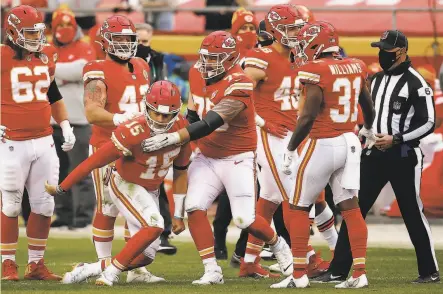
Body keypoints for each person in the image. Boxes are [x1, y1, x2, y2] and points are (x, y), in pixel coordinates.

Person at [141, 30, 293, 285]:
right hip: (207, 155)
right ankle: (212, 270)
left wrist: (173, 138)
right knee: (195, 207)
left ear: (231, 59)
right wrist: (176, 138)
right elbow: (192, 115)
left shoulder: (241, 82)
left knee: (245, 218)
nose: (208, 64)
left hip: (237, 157)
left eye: (216, 58)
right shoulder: (195, 73)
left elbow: (211, 122)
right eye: (206, 57)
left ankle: (280, 247)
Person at [314, 30, 439, 284]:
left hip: (403, 155)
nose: (381, 53)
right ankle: (338, 269)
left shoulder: (416, 82)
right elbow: (369, 112)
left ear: (402, 51)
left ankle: (429, 271)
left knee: (412, 212)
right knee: (353, 210)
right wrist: (364, 131)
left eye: (386, 49)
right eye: (380, 48)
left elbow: (429, 122)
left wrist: (398, 138)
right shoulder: (376, 79)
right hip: (373, 154)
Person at [46, 81, 190, 286]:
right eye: (156, 113)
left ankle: (89, 269)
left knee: (146, 255)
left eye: (167, 115)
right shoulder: (132, 129)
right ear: (146, 107)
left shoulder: (182, 129)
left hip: (150, 190)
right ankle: (110, 273)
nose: (160, 119)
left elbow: (181, 171)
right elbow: (93, 162)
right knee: (155, 224)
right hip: (125, 183)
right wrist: (63, 187)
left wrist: (179, 214)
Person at [271, 21, 375, 289]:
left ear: (316, 44)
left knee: (296, 206)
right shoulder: (356, 65)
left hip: (323, 143)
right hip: (350, 142)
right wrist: (367, 129)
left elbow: (307, 117)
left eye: (306, 43)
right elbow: (368, 105)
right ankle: (359, 272)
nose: (302, 49)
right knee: (351, 208)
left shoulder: (314, 70)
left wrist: (292, 148)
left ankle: (298, 275)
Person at [240, 4, 336, 277]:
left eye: (297, 27)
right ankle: (307, 260)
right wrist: (260, 122)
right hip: (270, 135)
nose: (295, 32)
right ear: (273, 30)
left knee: (269, 198)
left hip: (291, 135)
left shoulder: (300, 57)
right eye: (290, 28)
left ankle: (248, 261)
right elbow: (237, 93)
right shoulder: (262, 57)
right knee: (296, 196)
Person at [83, 15, 162, 283]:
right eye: (118, 39)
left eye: (129, 38)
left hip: (138, 148)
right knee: (107, 208)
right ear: (105, 41)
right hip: (108, 145)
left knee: (136, 210)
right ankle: (102, 264)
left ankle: (137, 269)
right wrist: (118, 119)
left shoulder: (141, 64)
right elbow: (93, 112)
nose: (125, 44)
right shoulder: (95, 68)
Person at [0, 5, 76, 281]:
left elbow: (53, 94)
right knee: (10, 203)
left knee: (45, 204)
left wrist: (65, 125)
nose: (35, 38)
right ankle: (8, 262)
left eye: (37, 32)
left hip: (44, 140)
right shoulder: (2, 55)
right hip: (11, 141)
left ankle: (36, 264)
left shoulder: (47, 55)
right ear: (12, 32)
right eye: (28, 32)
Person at [49, 7, 96, 229]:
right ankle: (63, 215)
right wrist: (63, 71)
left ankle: (82, 218)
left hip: (79, 121)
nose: (64, 30)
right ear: (53, 28)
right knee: (56, 171)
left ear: (75, 27)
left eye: (69, 25)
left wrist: (52, 68)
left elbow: (81, 70)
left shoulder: (85, 47)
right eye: (60, 25)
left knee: (80, 171)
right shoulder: (48, 48)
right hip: (52, 121)